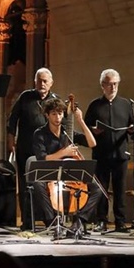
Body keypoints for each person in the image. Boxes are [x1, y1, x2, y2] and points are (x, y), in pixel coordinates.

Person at [32, 98, 102, 238]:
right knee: (37, 183)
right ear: (47, 115)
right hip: (50, 173)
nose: (57, 117)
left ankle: (79, 221)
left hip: (70, 173)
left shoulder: (67, 133)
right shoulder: (39, 134)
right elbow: (42, 158)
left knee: (97, 189)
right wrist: (64, 153)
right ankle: (52, 221)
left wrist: (80, 120)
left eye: (60, 113)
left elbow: (92, 143)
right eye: (53, 114)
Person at [7, 67, 60, 230]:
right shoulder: (25, 97)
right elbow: (12, 119)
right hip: (26, 147)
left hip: (47, 151)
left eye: (45, 81)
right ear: (34, 82)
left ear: (51, 83)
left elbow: (62, 124)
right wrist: (11, 141)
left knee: (47, 185)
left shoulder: (56, 100)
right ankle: (27, 221)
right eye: (39, 80)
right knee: (25, 186)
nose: (42, 83)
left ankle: (48, 218)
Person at [84, 69, 134, 232]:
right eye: (109, 84)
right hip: (101, 153)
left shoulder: (126, 104)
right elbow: (85, 127)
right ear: (102, 85)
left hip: (120, 153)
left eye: (115, 84)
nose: (113, 87)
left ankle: (120, 222)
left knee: (120, 189)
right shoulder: (95, 105)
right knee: (101, 189)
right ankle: (102, 220)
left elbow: (132, 125)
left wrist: (131, 130)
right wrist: (93, 129)